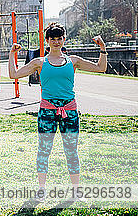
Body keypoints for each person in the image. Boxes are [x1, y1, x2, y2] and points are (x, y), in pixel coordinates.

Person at [8, 22, 107, 202]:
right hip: (47, 112)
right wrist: (12, 54)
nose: (56, 42)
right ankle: (41, 191)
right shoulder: (40, 62)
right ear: (47, 40)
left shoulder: (73, 61)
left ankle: (76, 191)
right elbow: (14, 74)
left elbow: (100, 68)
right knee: (44, 150)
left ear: (64, 39)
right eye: (52, 39)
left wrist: (102, 48)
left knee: (71, 151)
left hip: (69, 112)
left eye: (59, 38)